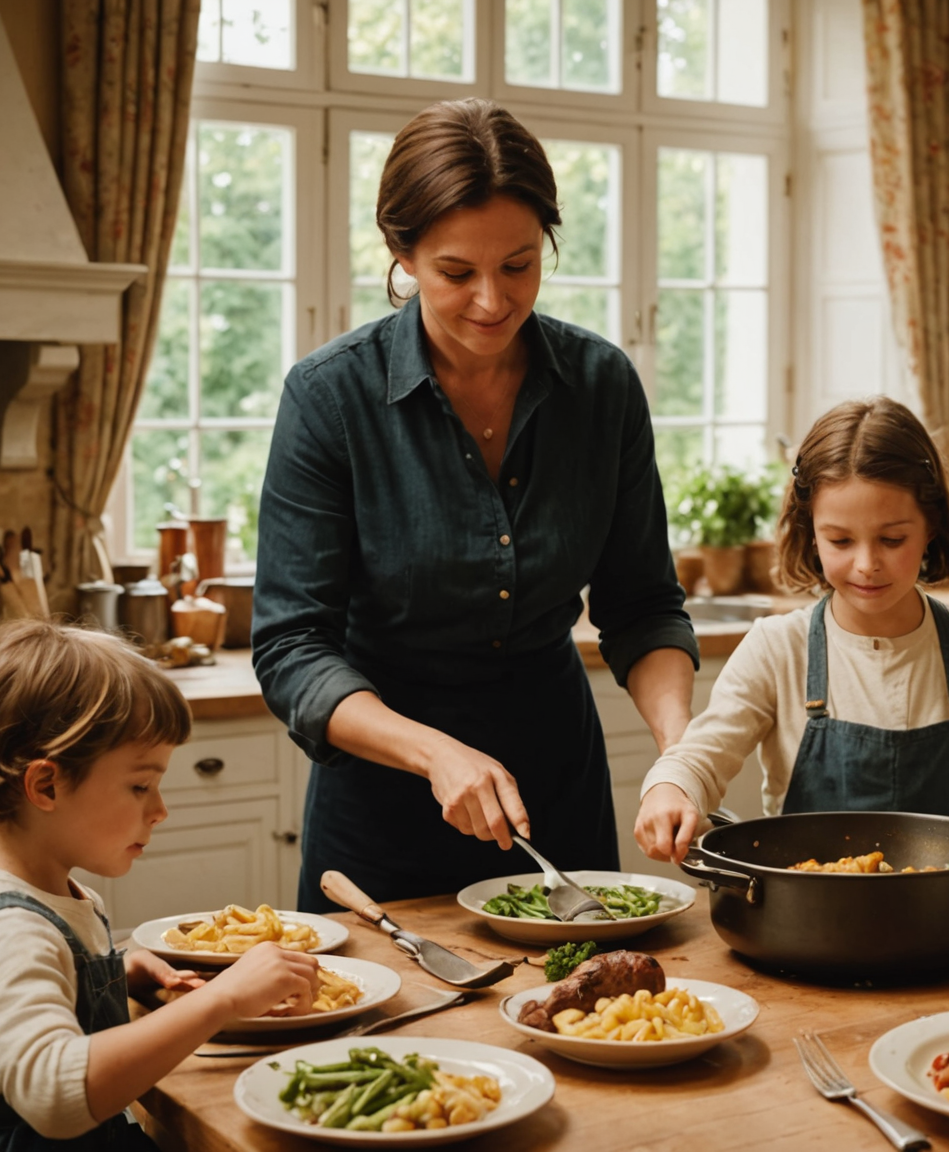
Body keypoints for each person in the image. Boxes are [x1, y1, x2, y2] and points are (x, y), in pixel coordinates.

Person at [254, 98, 698, 911]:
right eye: (457, 273)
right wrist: (433, 754)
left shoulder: (601, 387)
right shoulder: (329, 398)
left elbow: (643, 605)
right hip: (384, 800)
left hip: (556, 789)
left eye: (520, 265)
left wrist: (679, 751)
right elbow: (292, 648)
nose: (493, 301)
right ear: (403, 253)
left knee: (584, 1016)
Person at [634, 397, 949, 887]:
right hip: (804, 925)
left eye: (892, 540)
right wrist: (669, 788)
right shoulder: (777, 648)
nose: (866, 564)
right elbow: (699, 758)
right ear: (809, 531)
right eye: (840, 540)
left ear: (931, 528)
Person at [0, 620, 322, 1151]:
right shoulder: (11, 931)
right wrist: (221, 999)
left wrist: (115, 975)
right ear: (46, 784)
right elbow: (55, 1098)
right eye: (140, 785)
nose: (160, 810)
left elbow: (36, 996)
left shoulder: (49, 895)